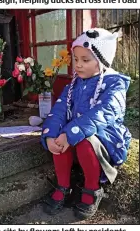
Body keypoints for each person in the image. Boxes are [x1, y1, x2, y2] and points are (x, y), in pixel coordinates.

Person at [40, 28, 132, 219]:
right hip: (76, 133)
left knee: (81, 139)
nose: (78, 65)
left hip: (106, 137)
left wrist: (71, 133)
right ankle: (63, 185)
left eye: (85, 60)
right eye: (76, 59)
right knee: (60, 135)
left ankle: (92, 188)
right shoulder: (73, 85)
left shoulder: (115, 84)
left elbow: (105, 112)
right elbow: (58, 110)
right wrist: (50, 134)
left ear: (102, 60)